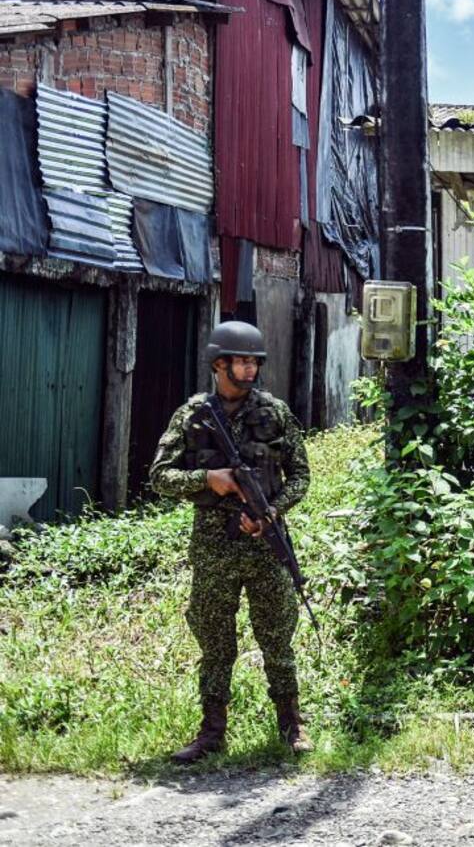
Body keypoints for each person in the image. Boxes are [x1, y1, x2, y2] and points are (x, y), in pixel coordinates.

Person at [149, 320, 312, 764]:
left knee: (277, 638)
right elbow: (159, 476)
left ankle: (291, 724)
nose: (250, 369)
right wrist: (209, 479)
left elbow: (301, 476)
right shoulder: (192, 415)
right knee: (216, 643)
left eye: (254, 361)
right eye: (241, 361)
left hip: (265, 547)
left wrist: (271, 514)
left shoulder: (275, 413)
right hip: (214, 549)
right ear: (219, 364)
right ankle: (212, 733)